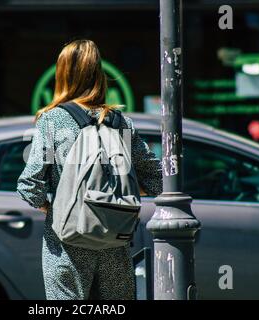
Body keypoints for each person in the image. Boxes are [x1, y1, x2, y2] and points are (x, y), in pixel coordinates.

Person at [17, 39, 162, 300]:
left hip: (66, 241)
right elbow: (157, 177)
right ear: (99, 74)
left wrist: (53, 206)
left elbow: (31, 184)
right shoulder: (121, 123)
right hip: (115, 239)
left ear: (62, 75)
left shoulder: (52, 121)